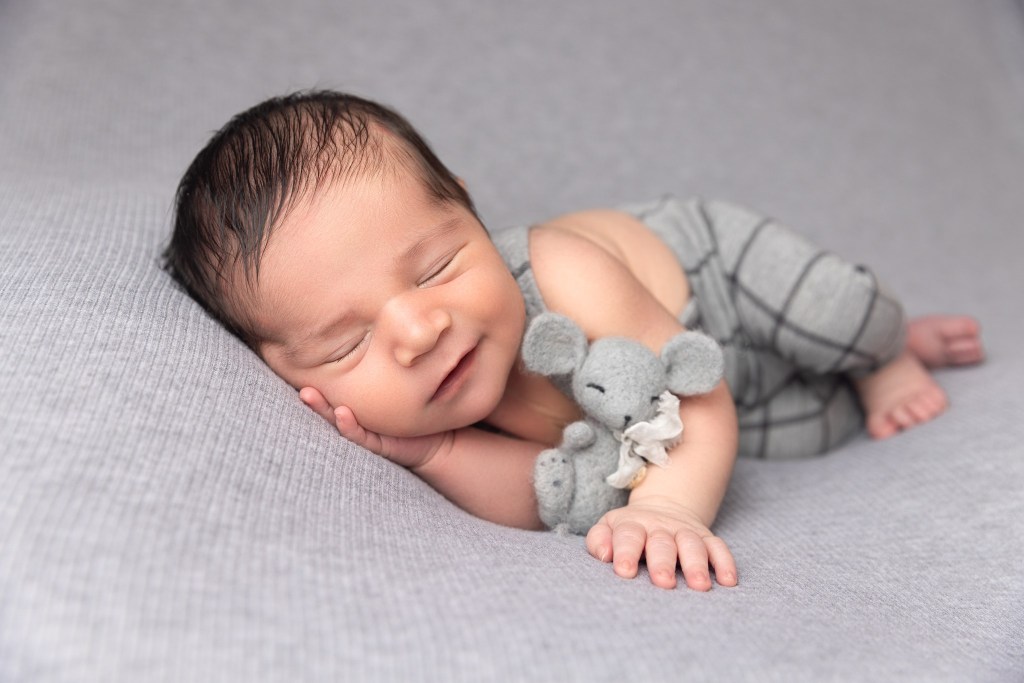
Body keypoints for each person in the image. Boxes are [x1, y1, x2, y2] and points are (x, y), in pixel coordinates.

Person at [163, 90, 984, 592]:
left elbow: (695, 397)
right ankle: (845, 374)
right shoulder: (422, 408)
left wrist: (665, 509)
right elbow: (544, 490)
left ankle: (886, 348)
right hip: (675, 421)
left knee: (834, 311)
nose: (418, 331)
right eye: (346, 344)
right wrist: (436, 455)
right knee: (812, 431)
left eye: (439, 265)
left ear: (471, 212)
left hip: (710, 283)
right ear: (279, 370)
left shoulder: (562, 271)